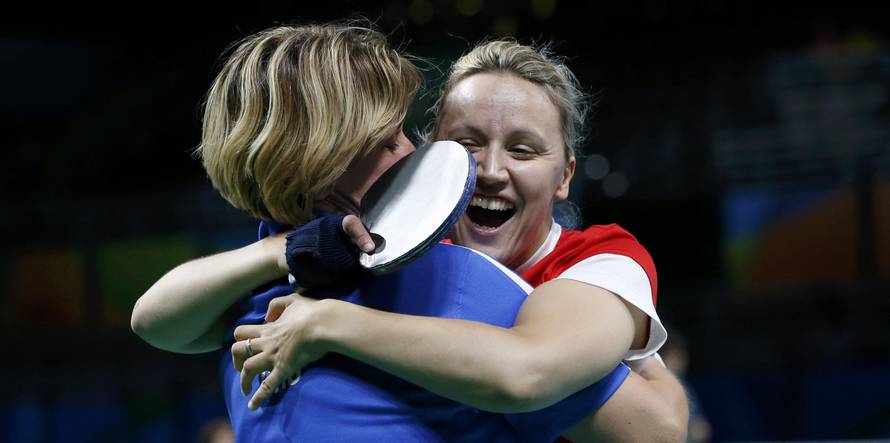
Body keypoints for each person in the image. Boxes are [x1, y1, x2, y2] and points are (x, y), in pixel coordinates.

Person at [132, 22, 687, 442]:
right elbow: (153, 319)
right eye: (393, 140)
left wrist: (331, 320)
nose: (486, 171)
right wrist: (283, 252)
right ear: (324, 160)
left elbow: (635, 416)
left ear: (565, 174)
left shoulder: (493, 282)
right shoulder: (425, 277)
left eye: (522, 148)